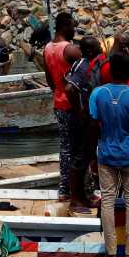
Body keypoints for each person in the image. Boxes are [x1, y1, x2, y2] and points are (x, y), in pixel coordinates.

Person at [90, 52, 129, 257]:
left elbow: (93, 129)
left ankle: (111, 252)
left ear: (110, 71)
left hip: (106, 155)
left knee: (107, 201)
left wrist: (92, 157)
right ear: (128, 72)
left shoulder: (97, 94)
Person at [41, 11, 79, 204]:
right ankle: (78, 190)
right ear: (65, 27)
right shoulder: (70, 50)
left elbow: (49, 79)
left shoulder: (47, 48)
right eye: (73, 26)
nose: (75, 29)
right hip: (73, 105)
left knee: (65, 147)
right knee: (79, 147)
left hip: (59, 102)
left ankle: (64, 188)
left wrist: (59, 91)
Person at [65, 35, 104, 209]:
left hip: (87, 117)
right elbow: (69, 88)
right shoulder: (84, 66)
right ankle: (75, 200)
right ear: (89, 50)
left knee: (86, 156)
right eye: (97, 47)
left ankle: (82, 197)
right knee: (79, 158)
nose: (101, 49)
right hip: (81, 118)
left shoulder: (91, 64)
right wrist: (79, 110)